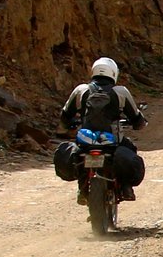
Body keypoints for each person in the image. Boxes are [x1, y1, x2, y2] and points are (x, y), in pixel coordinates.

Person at [61, 57, 147, 203]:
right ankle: (126, 187)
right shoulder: (121, 92)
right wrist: (138, 124)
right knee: (129, 148)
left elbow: (65, 115)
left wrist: (71, 124)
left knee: (79, 154)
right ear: (114, 73)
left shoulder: (81, 89)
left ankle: (82, 190)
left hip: (86, 139)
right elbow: (136, 117)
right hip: (111, 139)